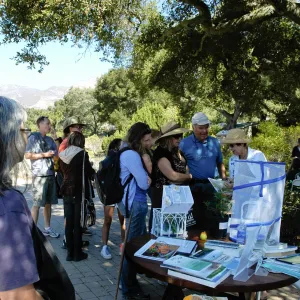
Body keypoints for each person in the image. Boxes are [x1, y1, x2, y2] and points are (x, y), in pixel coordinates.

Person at [0, 96, 42, 299]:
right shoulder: (8, 206)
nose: (27, 137)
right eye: (24, 130)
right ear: (8, 137)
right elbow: (17, 296)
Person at [119, 122, 151, 300]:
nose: (150, 143)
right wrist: (148, 178)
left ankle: (132, 285)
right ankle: (129, 290)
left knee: (136, 245)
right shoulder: (132, 155)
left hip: (134, 203)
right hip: (135, 203)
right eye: (146, 140)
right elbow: (143, 183)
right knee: (131, 248)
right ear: (139, 139)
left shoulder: (127, 151)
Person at [179, 112, 225, 234]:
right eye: (201, 128)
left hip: (212, 187)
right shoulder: (184, 144)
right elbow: (179, 165)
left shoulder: (215, 142)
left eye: (206, 127)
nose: (204, 130)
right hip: (193, 188)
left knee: (212, 222)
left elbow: (220, 163)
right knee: (194, 224)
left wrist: (224, 182)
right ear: (193, 127)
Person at [149, 121, 192, 231]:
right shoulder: (160, 153)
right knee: (163, 232)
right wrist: (189, 177)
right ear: (167, 138)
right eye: (176, 136)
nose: (179, 139)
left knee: (178, 230)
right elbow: (173, 176)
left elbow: (183, 171)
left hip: (178, 197)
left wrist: (183, 177)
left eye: (181, 136)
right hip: (164, 199)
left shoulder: (178, 152)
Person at [59, 132, 95, 261]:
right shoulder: (82, 154)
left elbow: (60, 172)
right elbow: (90, 172)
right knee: (78, 223)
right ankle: (77, 253)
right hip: (78, 191)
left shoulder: (62, 154)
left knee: (69, 223)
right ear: (81, 141)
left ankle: (69, 253)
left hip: (65, 190)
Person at [25, 116, 60, 238]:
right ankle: (32, 232)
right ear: (40, 124)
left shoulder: (50, 140)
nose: (49, 125)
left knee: (48, 204)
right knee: (37, 204)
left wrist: (56, 139)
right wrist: (44, 154)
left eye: (50, 124)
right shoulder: (33, 137)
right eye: (47, 123)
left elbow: (57, 156)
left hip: (50, 175)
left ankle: (47, 229)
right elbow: (28, 155)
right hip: (39, 176)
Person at [100, 138, 126, 260]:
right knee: (120, 221)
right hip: (118, 193)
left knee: (109, 221)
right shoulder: (115, 158)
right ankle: (117, 245)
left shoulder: (108, 159)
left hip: (110, 194)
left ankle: (107, 246)